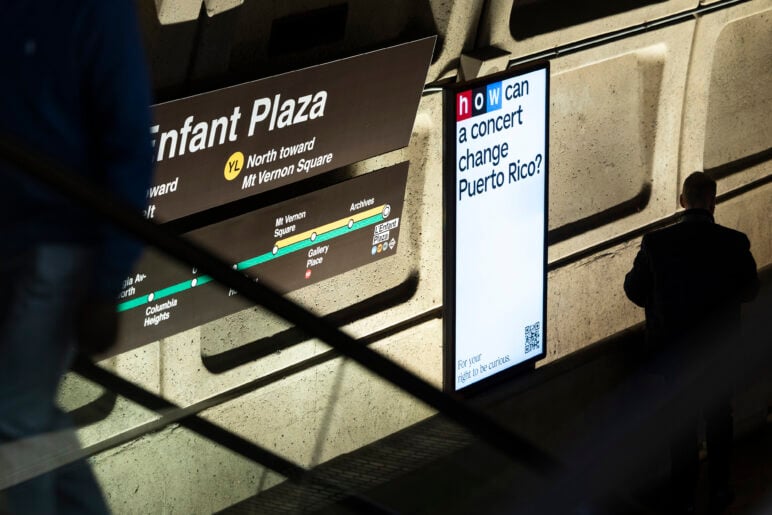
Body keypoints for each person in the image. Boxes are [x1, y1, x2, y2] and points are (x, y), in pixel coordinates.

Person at [0, 1, 154, 513]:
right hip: (12, 235)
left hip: (63, 248)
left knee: (12, 419)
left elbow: (130, 143)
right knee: (29, 415)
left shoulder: (96, 10)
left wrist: (106, 285)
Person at [624, 171, 759, 514]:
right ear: (713, 201)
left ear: (682, 201)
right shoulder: (735, 242)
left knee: (681, 427)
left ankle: (683, 498)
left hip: (675, 352)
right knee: (718, 420)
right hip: (718, 351)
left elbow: (634, 290)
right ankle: (718, 490)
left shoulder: (656, 243)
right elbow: (750, 291)